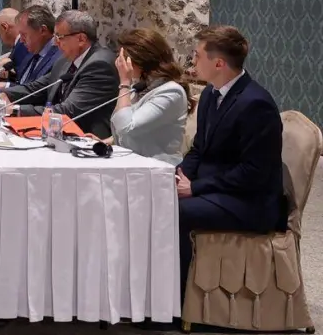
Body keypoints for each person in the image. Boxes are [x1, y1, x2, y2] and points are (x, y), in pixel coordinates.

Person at [176, 25, 286, 294]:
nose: (193, 62)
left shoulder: (255, 104)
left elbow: (253, 173)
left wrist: (196, 188)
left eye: (197, 55)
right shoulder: (210, 95)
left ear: (219, 63)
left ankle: (176, 304)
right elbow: (199, 148)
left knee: (175, 213)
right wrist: (179, 176)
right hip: (220, 190)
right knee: (157, 200)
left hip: (250, 202)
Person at [0, 9, 119, 137]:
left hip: (88, 141)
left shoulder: (100, 65)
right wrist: (1, 94)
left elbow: (68, 111)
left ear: (81, 39)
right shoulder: (66, 59)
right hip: (59, 135)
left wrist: (15, 110)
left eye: (60, 37)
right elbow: (37, 88)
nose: (55, 42)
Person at [108, 27, 190, 164]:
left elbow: (127, 128)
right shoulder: (142, 86)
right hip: (134, 164)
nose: (121, 64)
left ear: (142, 60)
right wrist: (106, 142)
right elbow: (134, 128)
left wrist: (124, 83)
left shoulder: (171, 92)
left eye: (125, 59)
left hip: (158, 168)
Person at [0, 5, 60, 89]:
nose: (21, 40)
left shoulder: (59, 59)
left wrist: (7, 86)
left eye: (24, 35)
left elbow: (38, 92)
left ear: (42, 30)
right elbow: (22, 83)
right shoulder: (33, 51)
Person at [0, 7, 30, 80]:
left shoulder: (22, 46)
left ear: (5, 27)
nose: (0, 39)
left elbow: (21, 80)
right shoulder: (19, 46)